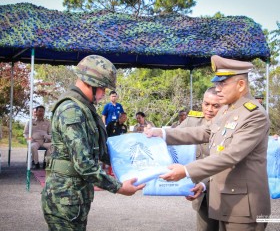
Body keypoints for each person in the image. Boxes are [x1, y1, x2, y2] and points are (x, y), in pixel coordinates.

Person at [145, 55, 270, 231]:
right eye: (217, 83)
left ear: (241, 85)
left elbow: (231, 155)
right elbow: (204, 131)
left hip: (244, 207)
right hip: (225, 201)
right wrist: (163, 133)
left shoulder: (254, 114)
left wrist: (187, 171)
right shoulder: (228, 109)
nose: (217, 89)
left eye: (223, 83)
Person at [41, 55, 145, 230]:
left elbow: (99, 149)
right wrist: (119, 187)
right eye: (102, 88)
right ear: (91, 83)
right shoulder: (71, 110)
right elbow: (84, 165)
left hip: (74, 196)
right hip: (64, 198)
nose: (104, 93)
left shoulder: (84, 108)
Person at [178, 87, 221, 231]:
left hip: (225, 191)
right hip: (202, 195)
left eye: (215, 106)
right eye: (206, 104)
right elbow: (172, 137)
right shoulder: (193, 121)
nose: (209, 109)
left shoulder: (231, 124)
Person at [24, 105, 51, 169]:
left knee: (53, 146)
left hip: (44, 141)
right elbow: (25, 133)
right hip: (35, 141)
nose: (41, 113)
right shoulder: (30, 122)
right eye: (39, 111)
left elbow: (50, 133)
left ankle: (46, 162)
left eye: (43, 111)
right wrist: (30, 140)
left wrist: (48, 137)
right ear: (36, 112)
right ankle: (36, 163)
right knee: (32, 146)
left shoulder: (48, 122)